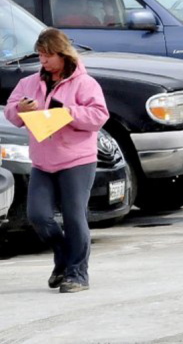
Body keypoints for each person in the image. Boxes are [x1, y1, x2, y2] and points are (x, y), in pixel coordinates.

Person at [4, 28, 109, 293]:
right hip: (42, 161)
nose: (44, 61)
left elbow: (98, 116)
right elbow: (11, 112)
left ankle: (77, 273)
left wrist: (67, 112)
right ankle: (63, 256)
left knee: (75, 217)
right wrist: (20, 109)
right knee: (38, 216)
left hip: (77, 160)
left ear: (62, 54)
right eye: (40, 55)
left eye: (49, 55)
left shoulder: (85, 83)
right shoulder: (29, 83)